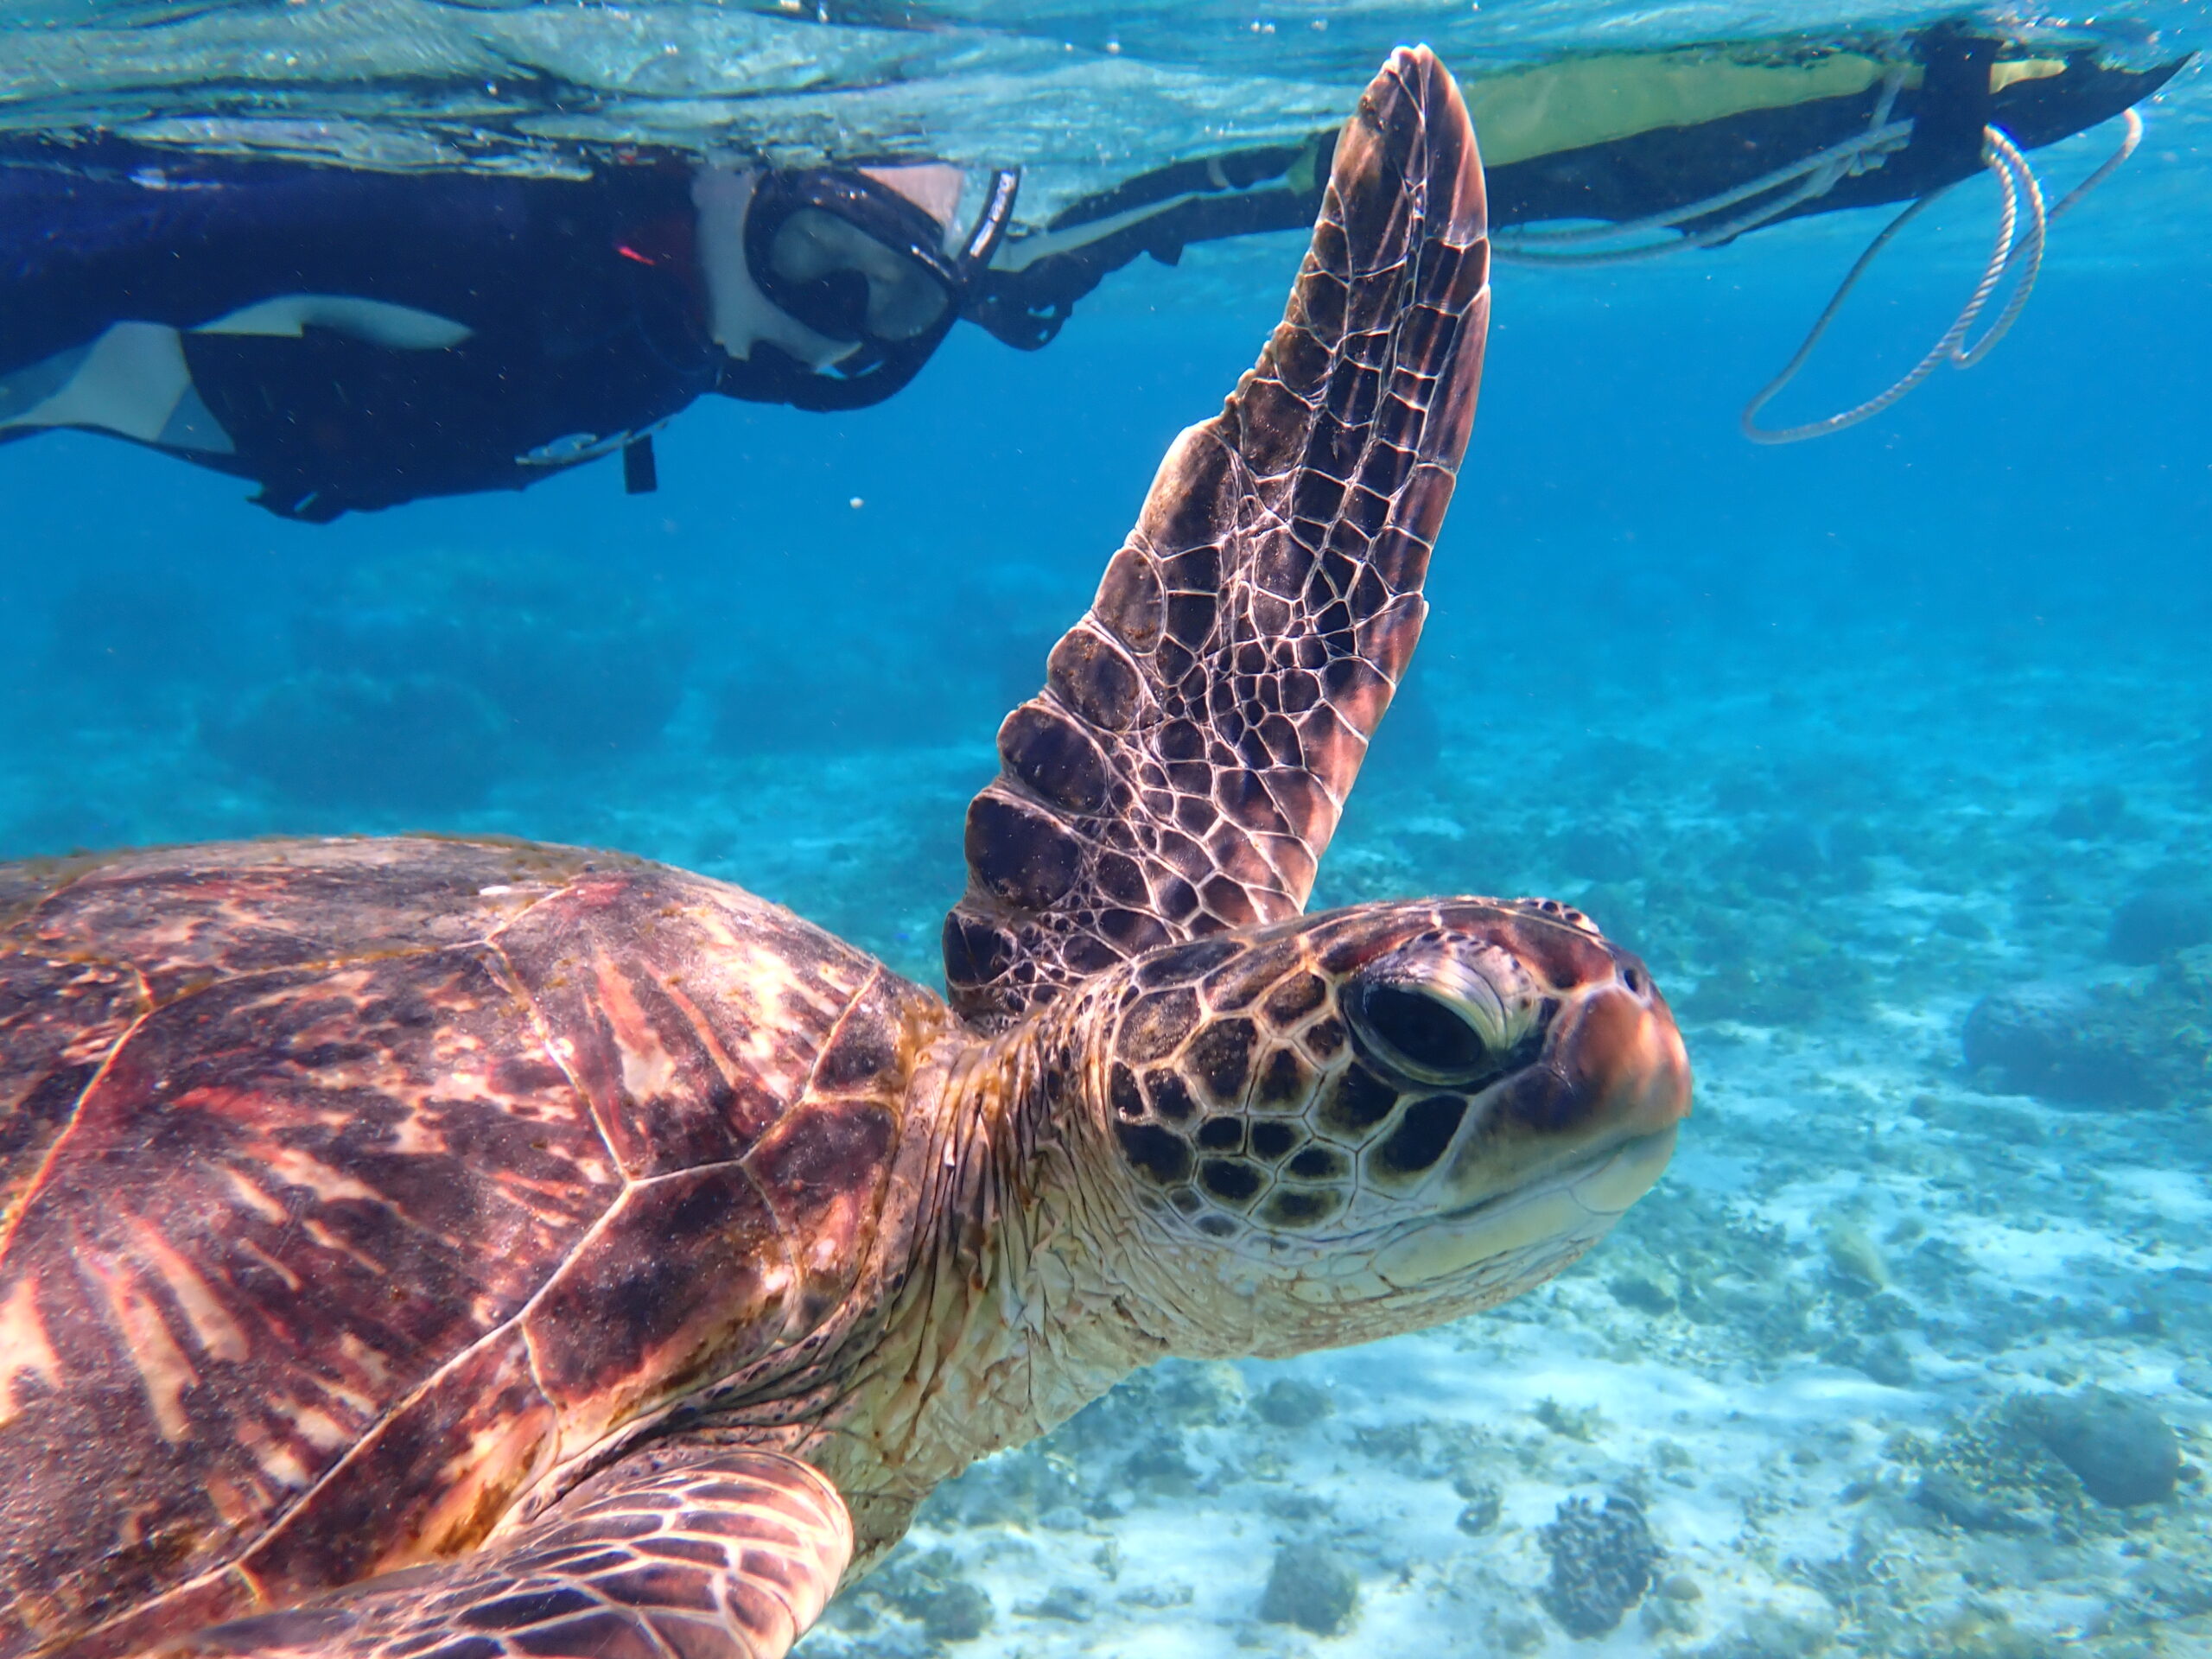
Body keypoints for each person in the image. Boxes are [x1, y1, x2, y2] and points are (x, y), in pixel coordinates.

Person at [0, 16, 2183, 516]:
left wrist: (1886, 114)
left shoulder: (623, 350)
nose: (824, 353)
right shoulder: (451, 216)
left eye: (887, 317)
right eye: (843, 287)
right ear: (729, 176)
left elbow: (1283, 178)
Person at [0, 147, 1015, 519]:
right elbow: (69, 250)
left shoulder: (679, 317)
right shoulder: (469, 239)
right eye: (818, 251)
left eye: (894, 303)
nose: (828, 316)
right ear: (722, 178)